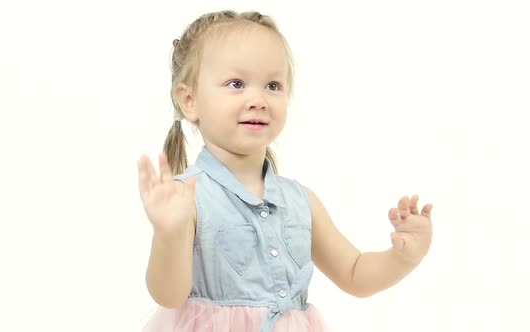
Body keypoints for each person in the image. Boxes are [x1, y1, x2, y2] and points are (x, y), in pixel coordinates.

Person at [137, 9, 433, 332]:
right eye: (237, 84)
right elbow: (168, 294)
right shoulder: (187, 198)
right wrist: (169, 232)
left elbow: (355, 273)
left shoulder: (300, 201)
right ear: (189, 100)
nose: (259, 99)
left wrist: (403, 257)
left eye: (273, 85)